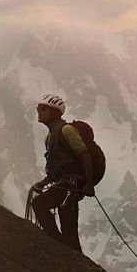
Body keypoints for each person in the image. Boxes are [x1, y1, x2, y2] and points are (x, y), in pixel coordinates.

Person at [30, 94, 94, 253]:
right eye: (38, 108)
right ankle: (63, 246)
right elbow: (57, 168)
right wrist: (43, 183)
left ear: (53, 112)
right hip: (65, 186)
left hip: (71, 186)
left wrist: (89, 184)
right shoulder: (50, 137)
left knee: (40, 204)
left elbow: (84, 154)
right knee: (69, 229)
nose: (38, 111)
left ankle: (57, 244)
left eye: (42, 109)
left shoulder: (66, 131)